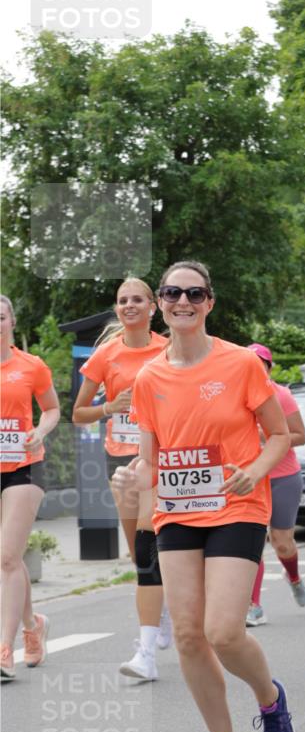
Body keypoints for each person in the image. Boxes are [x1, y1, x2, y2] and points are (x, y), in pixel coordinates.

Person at [113, 260, 296, 732]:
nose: (182, 301)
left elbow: (279, 436)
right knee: (190, 635)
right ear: (162, 304)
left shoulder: (240, 364)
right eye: (172, 293)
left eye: (194, 293)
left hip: (237, 504)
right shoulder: (149, 376)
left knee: (223, 631)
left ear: (209, 302)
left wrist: (255, 470)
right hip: (177, 509)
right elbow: (149, 458)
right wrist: (133, 477)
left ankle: (269, 697)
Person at [73, 278, 171, 681]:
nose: (130, 305)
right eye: (123, 300)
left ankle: (145, 652)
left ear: (152, 307)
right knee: (138, 554)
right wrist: (110, 406)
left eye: (138, 299)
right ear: (117, 310)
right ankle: (160, 610)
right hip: (122, 461)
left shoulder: (168, 349)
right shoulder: (105, 355)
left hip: (162, 460)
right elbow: (78, 412)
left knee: (147, 548)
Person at [1, 294, 60, 680]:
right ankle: (32, 625)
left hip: (24, 466)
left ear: (11, 321)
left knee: (6, 557)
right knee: (12, 558)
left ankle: (4, 651)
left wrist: (39, 432)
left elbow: (52, 408)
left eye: (0, 316)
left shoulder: (31, 366)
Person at [245, 342, 305, 626]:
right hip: (250, 478)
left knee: (283, 544)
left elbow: (299, 435)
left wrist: (269, 435)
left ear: (268, 368)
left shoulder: (281, 395)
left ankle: (293, 576)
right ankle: (253, 605)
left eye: (260, 364)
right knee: (251, 543)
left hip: (283, 477)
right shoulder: (234, 396)